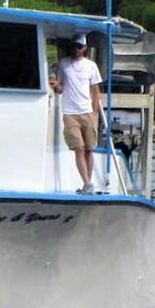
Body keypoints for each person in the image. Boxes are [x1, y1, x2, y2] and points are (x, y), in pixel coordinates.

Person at [48, 33, 103, 194]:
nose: (75, 49)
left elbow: (96, 89)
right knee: (79, 147)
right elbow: (59, 89)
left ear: (85, 48)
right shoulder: (63, 64)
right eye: (73, 46)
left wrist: (94, 111)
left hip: (86, 112)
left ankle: (89, 182)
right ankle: (87, 183)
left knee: (89, 149)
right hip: (70, 113)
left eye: (79, 46)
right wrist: (55, 85)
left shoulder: (91, 66)